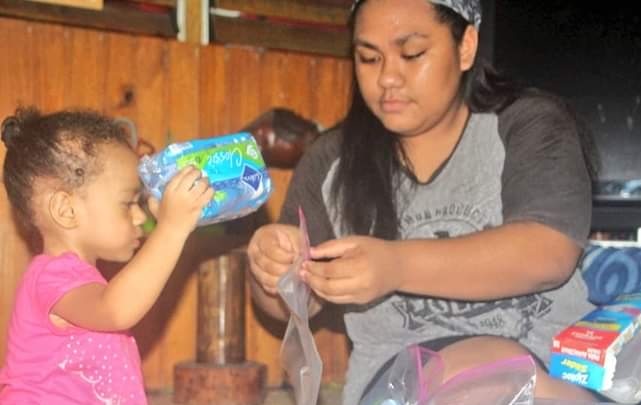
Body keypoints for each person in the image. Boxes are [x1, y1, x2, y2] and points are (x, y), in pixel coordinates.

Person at [249, 0, 599, 403]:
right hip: (396, 383)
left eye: (412, 54)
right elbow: (295, 308)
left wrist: (395, 266)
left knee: (495, 371)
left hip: (549, 368)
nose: (387, 79)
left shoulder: (528, 126)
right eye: (368, 58)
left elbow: (547, 253)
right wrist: (271, 271)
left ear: (466, 46)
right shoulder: (331, 162)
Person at [0, 107, 213, 404]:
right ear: (66, 210)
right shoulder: (49, 277)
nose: (139, 217)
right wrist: (171, 229)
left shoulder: (84, 281)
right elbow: (115, 310)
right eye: (127, 203)